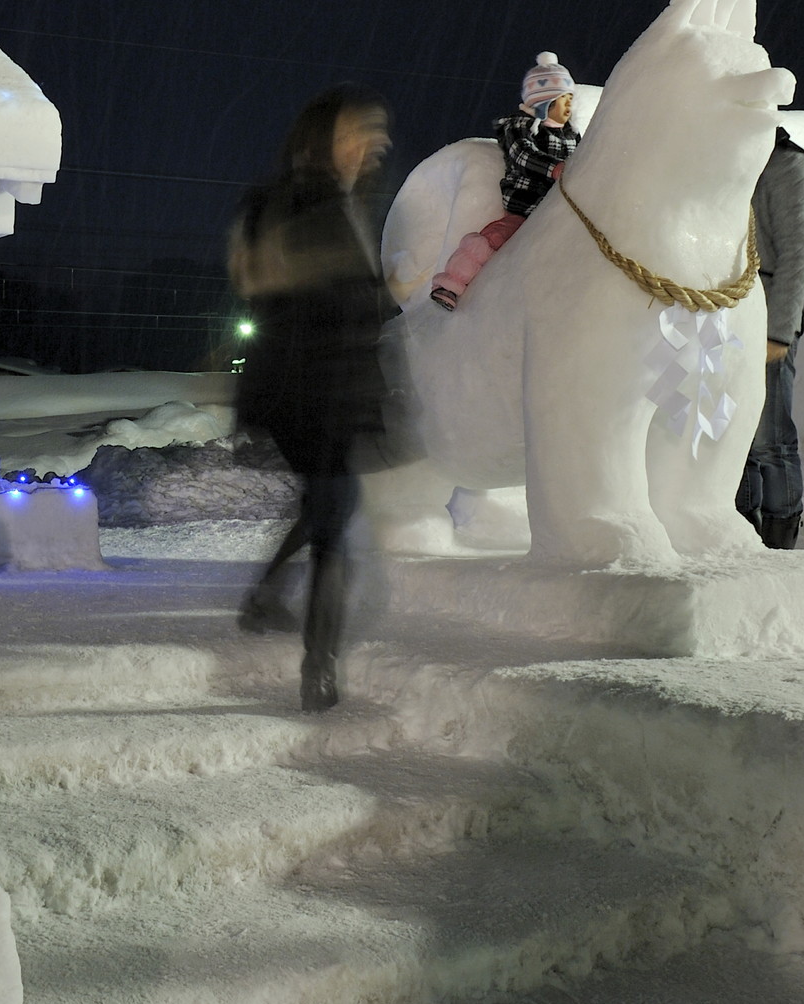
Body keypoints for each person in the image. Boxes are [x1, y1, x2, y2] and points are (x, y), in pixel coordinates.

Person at [228, 83, 395, 712]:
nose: (372, 143)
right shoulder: (309, 200)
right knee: (334, 524)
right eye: (360, 130)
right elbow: (296, 288)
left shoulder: (310, 200)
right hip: (315, 389)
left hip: (301, 389)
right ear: (323, 137)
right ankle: (318, 669)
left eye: (375, 132)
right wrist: (382, 293)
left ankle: (265, 600)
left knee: (327, 507)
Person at [428, 53, 580, 310]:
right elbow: (521, 154)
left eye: (571, 100)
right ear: (545, 100)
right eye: (563, 99)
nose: (568, 106)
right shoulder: (521, 127)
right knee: (494, 238)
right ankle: (451, 283)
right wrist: (554, 168)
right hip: (525, 205)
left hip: (556, 210)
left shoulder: (571, 136)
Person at [736, 127, 804, 548]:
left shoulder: (788, 165)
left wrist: (778, 332)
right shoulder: (734, 161)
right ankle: (742, 532)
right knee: (735, 437)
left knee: (770, 440)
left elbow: (800, 254)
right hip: (730, 315)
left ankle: (780, 539)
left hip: (768, 316)